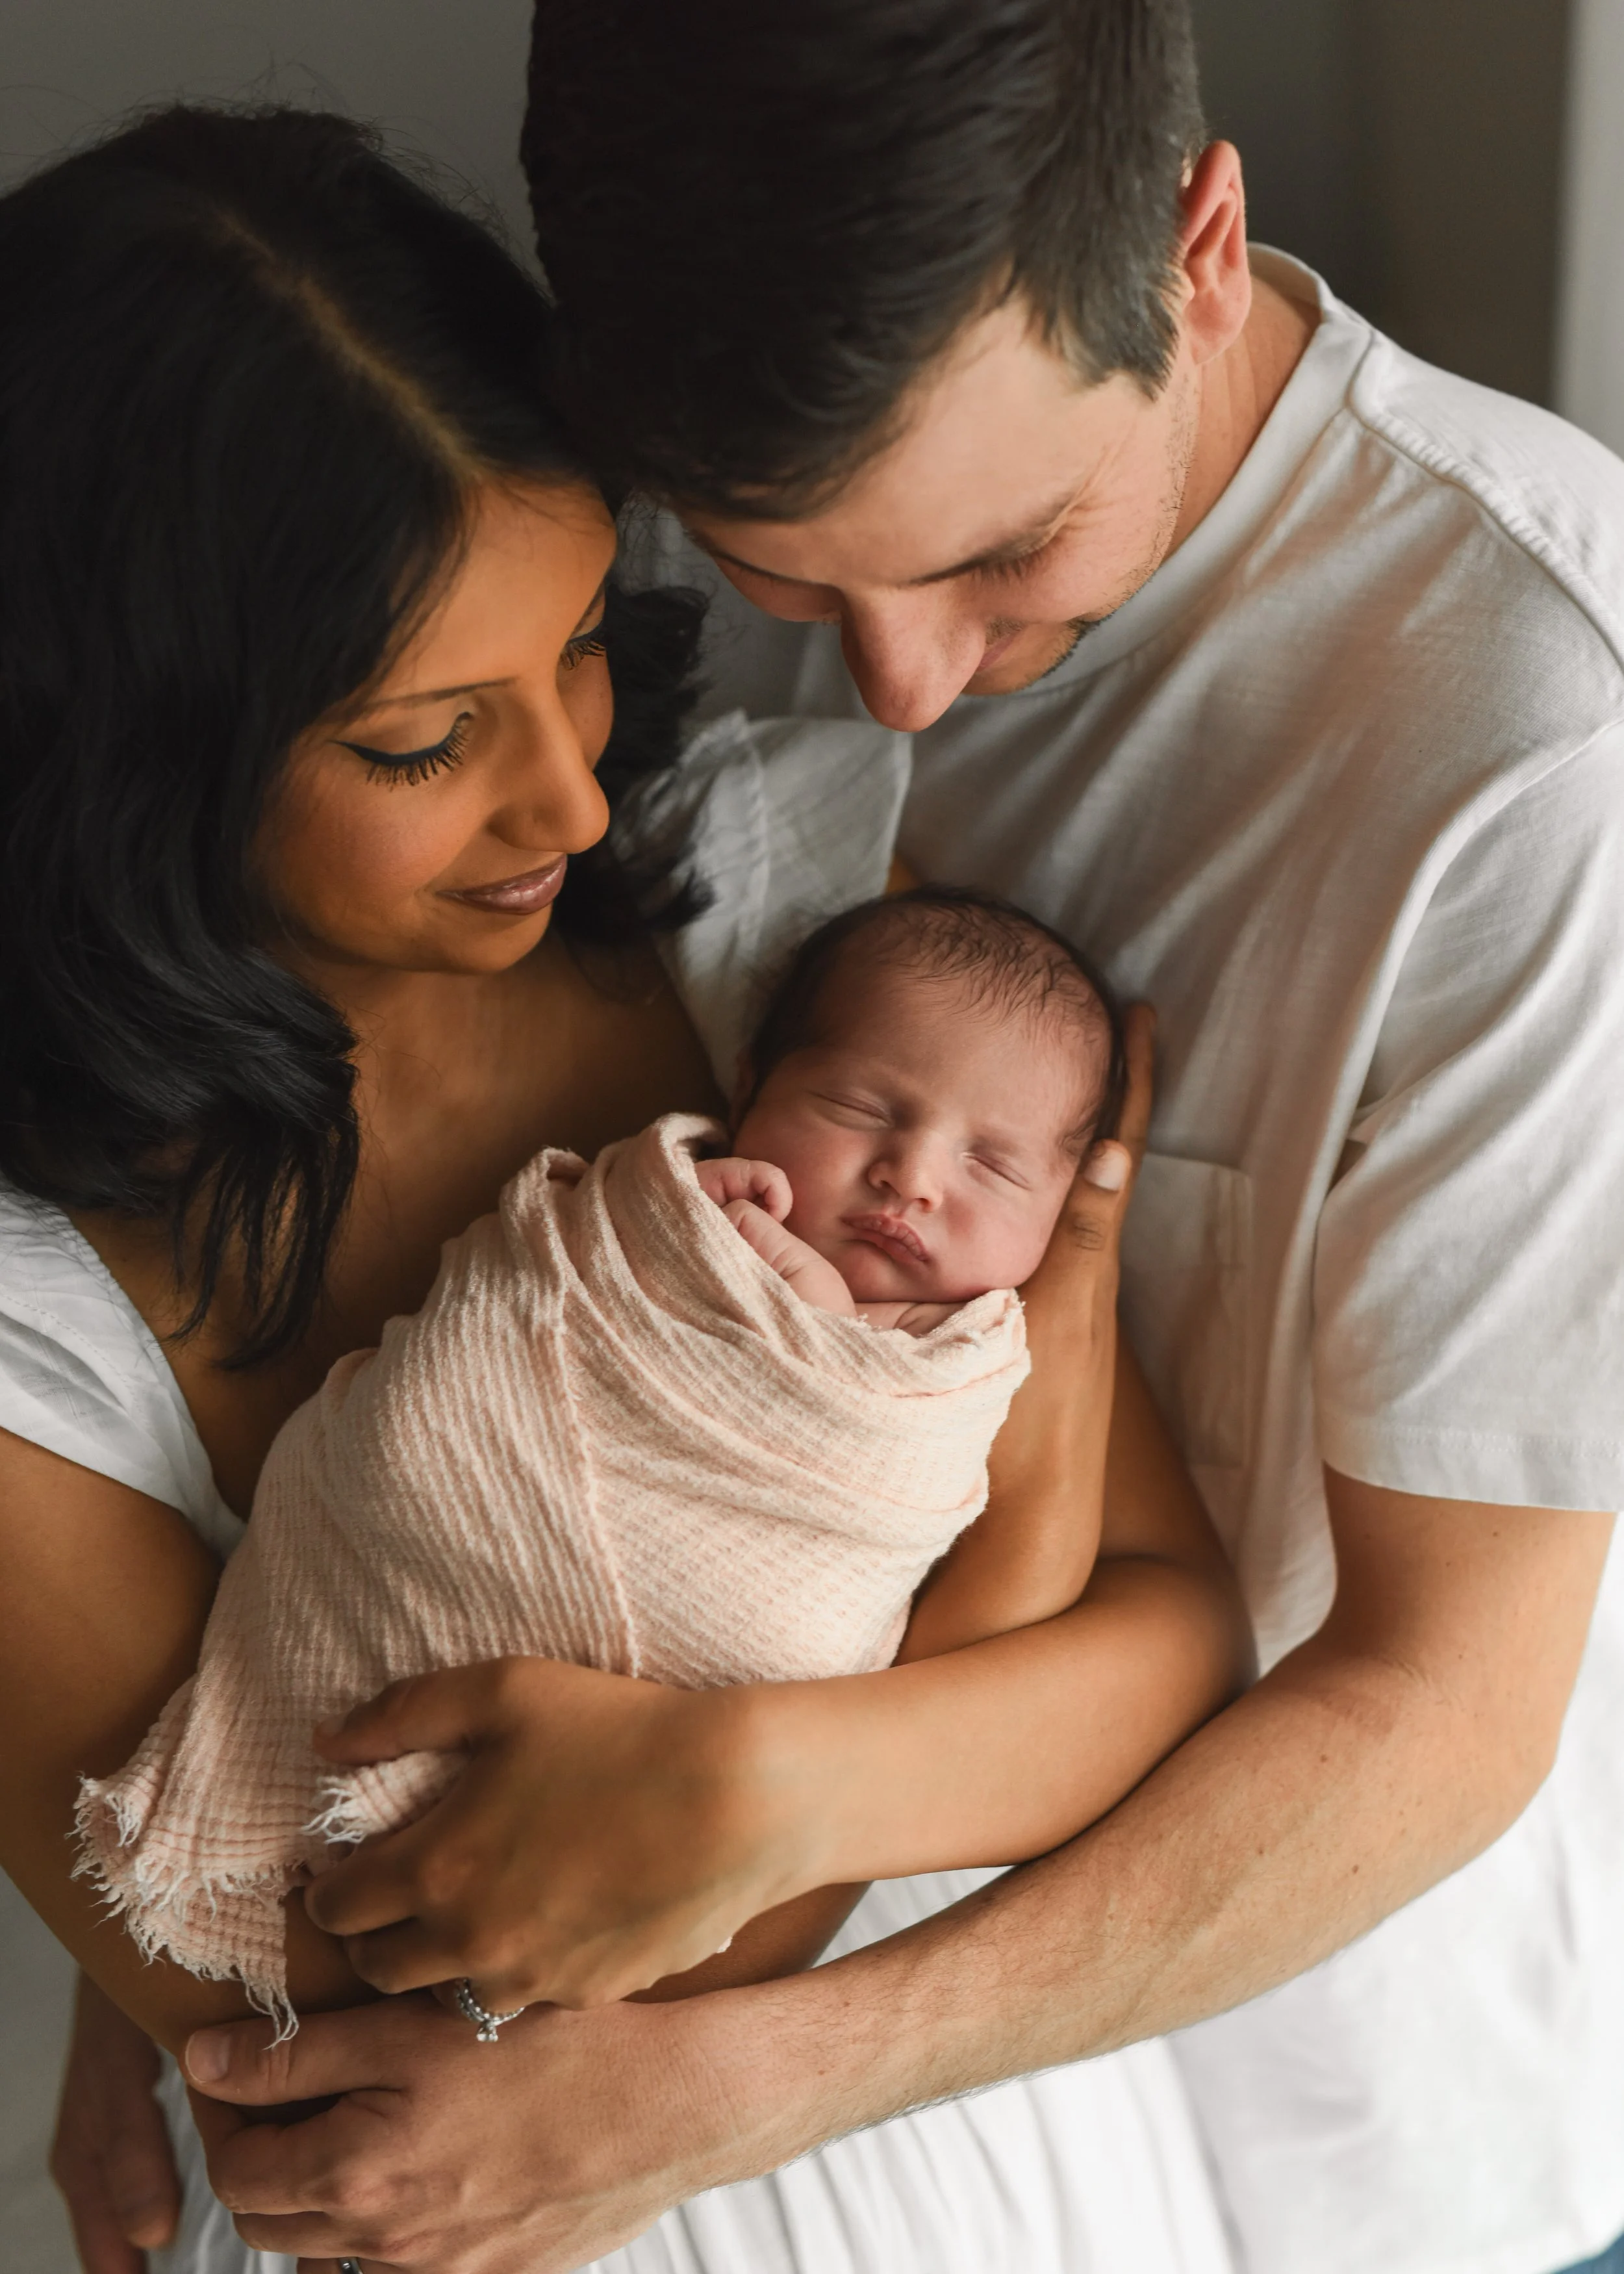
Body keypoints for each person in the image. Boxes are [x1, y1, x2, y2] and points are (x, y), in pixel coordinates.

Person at [142, 3, 1624, 2271]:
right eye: (798, 582)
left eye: (1010, 556)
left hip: (1353, 2141)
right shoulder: (754, 614)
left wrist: (702, 2094)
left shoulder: (1538, 750)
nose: (912, 686)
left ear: (1200, 248)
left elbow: (1439, 1706)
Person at [0, 100, 1247, 2274]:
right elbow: (332, 2046)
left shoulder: (793, 927)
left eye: (581, 636)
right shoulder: (41, 1304)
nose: (572, 790)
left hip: (970, 2153)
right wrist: (899, 1751)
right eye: (423, 740)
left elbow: (1169, 1635)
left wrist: (751, 1798)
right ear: (111, 760)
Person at [77, 888, 1128, 2035]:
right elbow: (518, 1325)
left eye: (995, 1165)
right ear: (749, 1088)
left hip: (756, 1862)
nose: (912, 1176)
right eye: (863, 1105)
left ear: (1068, 1203)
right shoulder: (676, 1212)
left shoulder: (973, 1368)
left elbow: (1020, 1596)